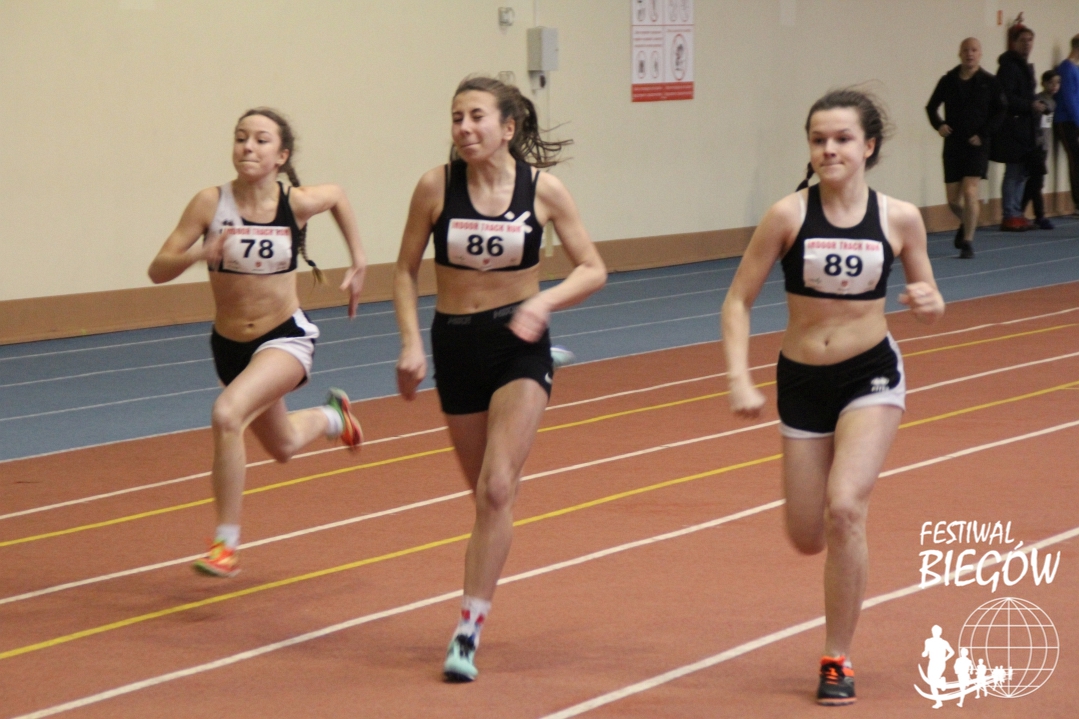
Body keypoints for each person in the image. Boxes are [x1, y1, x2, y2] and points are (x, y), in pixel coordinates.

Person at [721, 89, 945, 706]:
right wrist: (739, 376)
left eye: (842, 139)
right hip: (801, 379)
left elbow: (928, 299)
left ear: (868, 146)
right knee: (806, 533)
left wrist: (929, 302)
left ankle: (837, 656)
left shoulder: (899, 218)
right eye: (819, 140)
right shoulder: (787, 216)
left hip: (870, 374)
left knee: (845, 508)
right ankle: (834, 583)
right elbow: (737, 300)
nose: (829, 149)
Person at [393, 76, 607, 682]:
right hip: (455, 344)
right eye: (456, 117)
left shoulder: (543, 190)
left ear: (507, 128)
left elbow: (593, 268)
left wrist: (543, 302)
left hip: (518, 343)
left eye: (476, 117)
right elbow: (405, 271)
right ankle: (490, 548)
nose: (464, 128)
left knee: (494, 490)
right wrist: (410, 343)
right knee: (488, 497)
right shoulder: (436, 186)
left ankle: (467, 631)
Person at [148, 108, 367, 577]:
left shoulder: (295, 203)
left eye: (261, 140)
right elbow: (157, 270)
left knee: (227, 414)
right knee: (283, 445)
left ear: (281, 156)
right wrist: (198, 254)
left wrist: (359, 259)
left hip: (285, 337)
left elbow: (337, 195)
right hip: (230, 347)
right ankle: (334, 416)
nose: (248, 146)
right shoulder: (210, 203)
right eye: (241, 137)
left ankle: (225, 545)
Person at [925, 37, 1006, 258]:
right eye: (966, 50)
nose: (970, 54)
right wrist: (939, 125)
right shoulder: (948, 80)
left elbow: (1001, 111)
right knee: (952, 200)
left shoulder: (990, 82)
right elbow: (931, 107)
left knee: (970, 191)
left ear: (980, 54)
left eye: (974, 50)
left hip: (977, 144)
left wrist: (984, 134)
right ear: (960, 54)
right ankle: (967, 221)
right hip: (953, 143)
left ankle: (968, 242)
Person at [992, 23, 1046, 232]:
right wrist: (1029, 105)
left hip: (1026, 127)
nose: (1027, 44)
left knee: (1022, 172)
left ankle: (1016, 211)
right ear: (1014, 43)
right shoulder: (1008, 67)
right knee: (1013, 172)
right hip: (1012, 127)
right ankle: (1009, 214)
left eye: (1030, 40)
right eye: (1022, 40)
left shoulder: (1025, 67)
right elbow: (1005, 97)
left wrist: (1037, 104)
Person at [1022, 70, 1060, 229]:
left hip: (1044, 146)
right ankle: (1038, 215)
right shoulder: (1039, 101)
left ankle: (1024, 211)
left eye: (1057, 83)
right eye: (1051, 83)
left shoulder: (1053, 102)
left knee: (1035, 181)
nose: (1054, 86)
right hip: (1035, 146)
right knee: (1036, 181)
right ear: (1043, 83)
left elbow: (1047, 126)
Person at [1054, 34, 1079, 216]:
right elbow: (1069, 98)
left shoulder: (1075, 68)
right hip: (1065, 120)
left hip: (1074, 119)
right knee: (1075, 159)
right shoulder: (1066, 68)